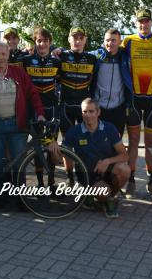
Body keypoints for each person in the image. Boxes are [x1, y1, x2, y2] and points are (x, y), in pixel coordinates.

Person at [0, 41, 45, 208]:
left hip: (17, 124)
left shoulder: (18, 72)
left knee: (19, 162)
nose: (0, 57)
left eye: (3, 54)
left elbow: (33, 94)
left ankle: (21, 199)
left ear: (8, 54)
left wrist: (41, 114)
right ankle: (1, 198)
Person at [121, 9, 152, 200]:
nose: (143, 24)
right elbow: (109, 51)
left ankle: (151, 181)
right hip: (134, 98)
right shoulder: (128, 41)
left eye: (146, 21)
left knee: (151, 143)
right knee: (133, 142)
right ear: (136, 23)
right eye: (140, 21)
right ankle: (131, 181)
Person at [63, 98, 131, 219]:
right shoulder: (74, 131)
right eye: (84, 112)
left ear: (98, 112)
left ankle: (109, 198)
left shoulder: (109, 128)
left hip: (107, 170)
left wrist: (107, 161)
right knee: (102, 191)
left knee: (125, 169)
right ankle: (97, 197)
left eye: (91, 111)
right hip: (89, 175)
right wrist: (53, 147)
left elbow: (125, 155)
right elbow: (59, 158)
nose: (88, 115)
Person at [22, 27, 62, 187]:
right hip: (33, 109)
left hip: (51, 108)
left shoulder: (57, 62)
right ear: (35, 42)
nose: (42, 44)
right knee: (38, 146)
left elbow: (60, 81)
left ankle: (51, 181)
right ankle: (40, 183)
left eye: (45, 41)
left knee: (52, 145)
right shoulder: (26, 61)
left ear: (50, 42)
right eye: (39, 41)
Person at [58, 27, 97, 185]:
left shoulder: (92, 59)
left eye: (81, 38)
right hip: (66, 106)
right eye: (75, 38)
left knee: (84, 144)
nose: (78, 41)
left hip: (84, 109)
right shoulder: (61, 56)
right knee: (67, 145)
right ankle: (69, 177)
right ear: (69, 39)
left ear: (85, 40)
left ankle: (84, 178)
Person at [90, 28, 132, 136]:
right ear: (103, 41)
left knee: (116, 144)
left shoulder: (124, 57)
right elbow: (78, 52)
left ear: (119, 41)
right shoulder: (97, 55)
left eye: (113, 40)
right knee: (98, 144)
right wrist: (58, 50)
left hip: (118, 108)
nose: (110, 43)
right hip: (99, 108)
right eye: (107, 40)